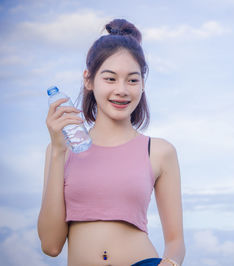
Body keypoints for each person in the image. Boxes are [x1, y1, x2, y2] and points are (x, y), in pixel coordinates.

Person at [37, 18, 185, 266]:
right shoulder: (58, 150)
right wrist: (58, 152)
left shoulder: (159, 151)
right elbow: (51, 246)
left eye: (133, 80)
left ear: (142, 84)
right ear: (88, 80)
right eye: (110, 78)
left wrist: (169, 264)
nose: (122, 90)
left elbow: (176, 240)